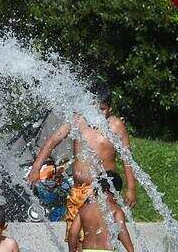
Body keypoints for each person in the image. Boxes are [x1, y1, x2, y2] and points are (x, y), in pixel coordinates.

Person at [27, 85, 137, 241]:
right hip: (78, 190)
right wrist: (36, 168)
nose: (97, 114)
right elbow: (52, 142)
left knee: (101, 236)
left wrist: (131, 189)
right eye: (92, 109)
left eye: (102, 109)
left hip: (104, 192)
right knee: (75, 237)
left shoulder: (116, 126)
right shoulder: (77, 121)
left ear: (110, 109)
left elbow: (127, 159)